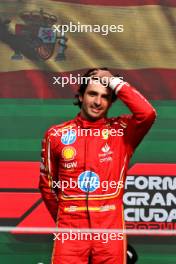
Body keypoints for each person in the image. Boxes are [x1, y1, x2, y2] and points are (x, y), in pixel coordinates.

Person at [39, 68, 156, 264]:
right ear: (81, 95)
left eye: (105, 96)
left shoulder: (123, 132)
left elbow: (147, 113)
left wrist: (113, 82)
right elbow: (47, 186)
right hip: (70, 229)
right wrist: (66, 218)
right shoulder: (56, 135)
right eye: (92, 94)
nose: (97, 102)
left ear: (111, 101)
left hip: (110, 229)